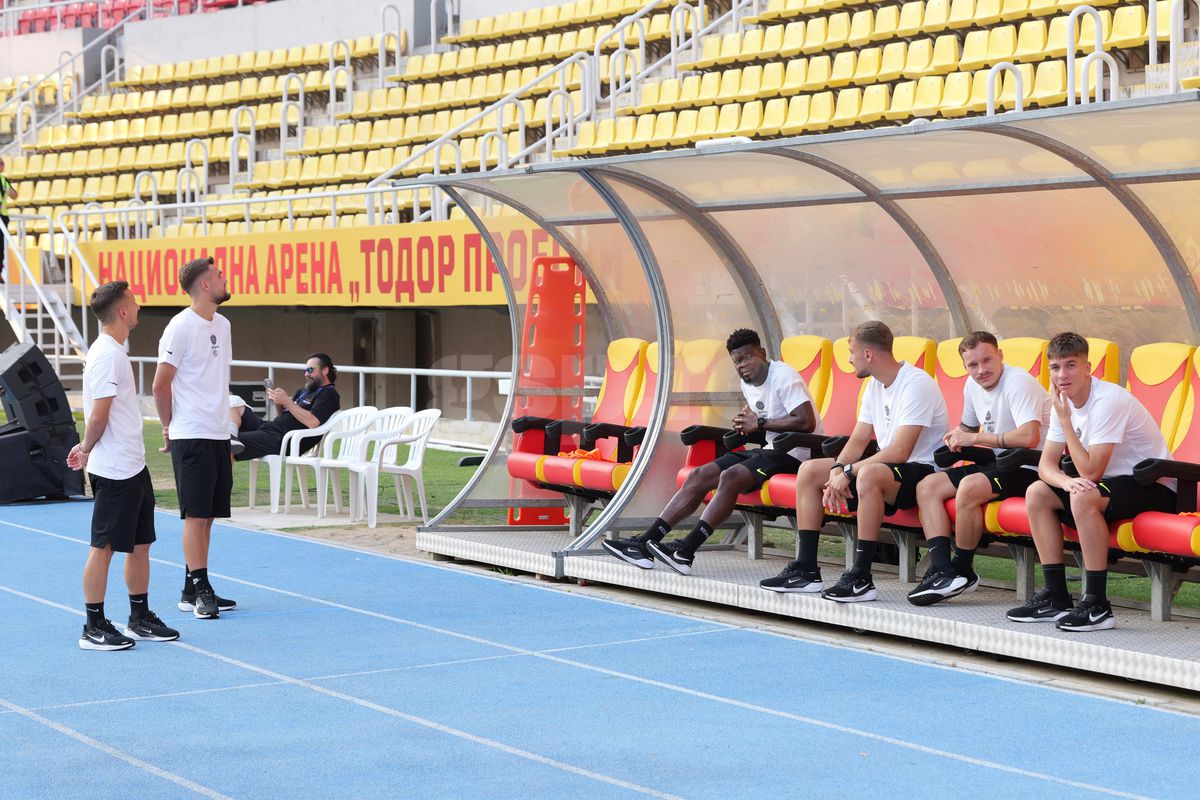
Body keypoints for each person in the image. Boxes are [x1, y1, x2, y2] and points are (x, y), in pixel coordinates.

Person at [601, 328, 823, 575]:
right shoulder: (747, 382)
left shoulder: (784, 376)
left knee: (730, 476)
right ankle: (644, 543)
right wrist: (746, 424)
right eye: (737, 361)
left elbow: (806, 422)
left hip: (798, 455)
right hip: (772, 449)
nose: (743, 365)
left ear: (762, 353)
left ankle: (686, 550)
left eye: (748, 357)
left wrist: (759, 424)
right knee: (699, 475)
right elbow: (764, 419)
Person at [760, 320, 949, 600]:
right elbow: (858, 440)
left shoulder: (917, 383)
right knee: (811, 470)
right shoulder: (874, 386)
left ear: (869, 354)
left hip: (921, 471)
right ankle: (806, 570)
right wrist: (837, 469)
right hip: (887, 468)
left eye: (852, 351)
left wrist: (848, 473)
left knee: (867, 474)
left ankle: (861, 577)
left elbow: (900, 452)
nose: (849, 359)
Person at [1006, 332, 1176, 631]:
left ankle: (1097, 604)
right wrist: (1064, 481)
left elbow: (1090, 472)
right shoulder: (1062, 401)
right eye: (1056, 368)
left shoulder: (1107, 401)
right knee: (1037, 492)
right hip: (1108, 485)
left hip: (1155, 486)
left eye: (1071, 365)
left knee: (1083, 494)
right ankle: (1056, 597)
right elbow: (1046, 465)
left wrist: (1066, 422)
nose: (1062, 375)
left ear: (1088, 368)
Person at [70, 281, 180, 650]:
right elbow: (98, 417)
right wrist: (85, 448)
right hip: (114, 470)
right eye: (133, 301)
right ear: (121, 311)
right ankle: (93, 625)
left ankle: (139, 616)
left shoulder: (115, 350)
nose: (138, 305)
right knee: (103, 546)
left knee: (140, 544)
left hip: (133, 466)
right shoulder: (106, 355)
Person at [908, 331, 1051, 606]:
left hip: (1033, 467)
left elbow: (1028, 438)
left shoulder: (1018, 382)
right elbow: (969, 428)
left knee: (969, 486)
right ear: (965, 367)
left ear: (1000, 356)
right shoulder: (971, 386)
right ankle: (942, 571)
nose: (981, 370)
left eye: (987, 360)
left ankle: (963, 569)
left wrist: (974, 438)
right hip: (999, 463)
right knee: (927, 486)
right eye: (973, 365)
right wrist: (955, 436)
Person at [152, 256, 236, 620]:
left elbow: (219, 380)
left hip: (217, 433)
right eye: (219, 275)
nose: (224, 279)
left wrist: (227, 432)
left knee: (210, 516)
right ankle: (201, 587)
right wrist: (168, 425)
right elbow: (160, 384)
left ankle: (193, 587)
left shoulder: (224, 324)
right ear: (204, 284)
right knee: (195, 516)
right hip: (191, 433)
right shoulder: (179, 327)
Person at [229, 353, 341, 461]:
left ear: (325, 370)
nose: (306, 374)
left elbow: (313, 422)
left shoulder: (329, 394)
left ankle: (224, 475)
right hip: (271, 429)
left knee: (224, 442)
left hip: (282, 440)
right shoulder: (304, 392)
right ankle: (232, 435)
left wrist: (287, 402)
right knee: (233, 402)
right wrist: (279, 403)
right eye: (305, 370)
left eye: (310, 370)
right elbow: (285, 416)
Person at [0, 156, 16, 282]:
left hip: (3, 216)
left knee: (1, 246)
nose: (2, 166)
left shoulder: (4, 179)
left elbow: (14, 194)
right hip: (2, 216)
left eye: (3, 163)